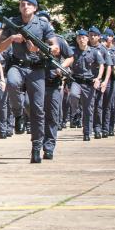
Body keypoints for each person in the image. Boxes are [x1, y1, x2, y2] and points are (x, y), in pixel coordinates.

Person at [0, 0, 60, 163]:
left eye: (29, 4)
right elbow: (0, 48)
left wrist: (39, 49)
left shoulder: (43, 24)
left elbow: (55, 48)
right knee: (12, 82)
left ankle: (37, 147)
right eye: (22, 4)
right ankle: (18, 114)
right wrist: (11, 39)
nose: (25, 6)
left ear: (35, 8)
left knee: (38, 109)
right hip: (17, 66)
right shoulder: (13, 22)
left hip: (36, 69)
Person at [39, 14, 72, 159]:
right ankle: (38, 141)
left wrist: (62, 66)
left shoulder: (58, 39)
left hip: (52, 83)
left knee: (52, 116)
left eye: (44, 22)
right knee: (34, 112)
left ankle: (49, 147)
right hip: (36, 83)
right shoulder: (32, 39)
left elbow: (70, 56)